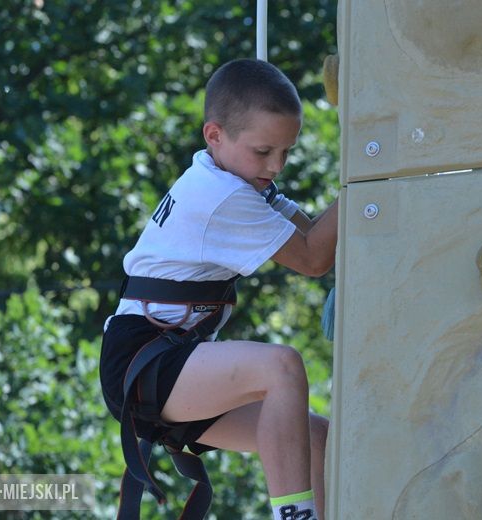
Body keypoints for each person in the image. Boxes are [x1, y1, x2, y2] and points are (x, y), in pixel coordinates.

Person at [99, 58, 338, 520]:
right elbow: (313, 258)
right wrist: (368, 181)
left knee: (318, 440)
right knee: (282, 367)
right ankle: (296, 517)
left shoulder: (233, 178)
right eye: (264, 151)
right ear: (215, 135)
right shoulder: (222, 196)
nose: (277, 166)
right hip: (143, 360)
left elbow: (313, 231)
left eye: (286, 152)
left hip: (165, 363)